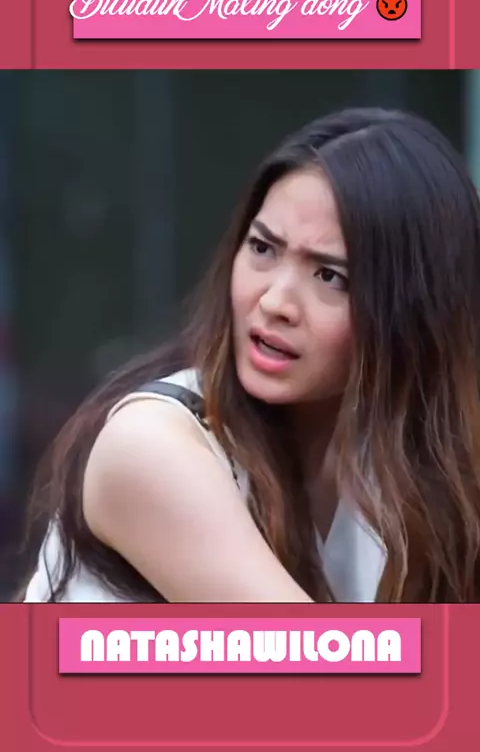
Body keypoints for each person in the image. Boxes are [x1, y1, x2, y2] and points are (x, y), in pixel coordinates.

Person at [19, 107, 480, 604]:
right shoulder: (149, 445)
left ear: (414, 310)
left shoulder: (400, 462)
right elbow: (315, 654)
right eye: (263, 248)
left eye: (330, 276)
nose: (275, 302)